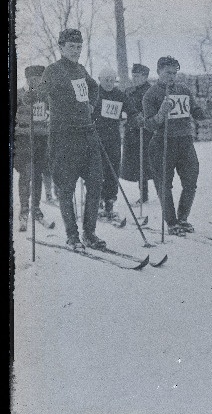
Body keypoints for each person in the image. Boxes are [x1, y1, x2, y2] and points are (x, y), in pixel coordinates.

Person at [40, 28, 104, 251]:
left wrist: (92, 105)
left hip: (87, 134)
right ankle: (72, 236)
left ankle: (90, 233)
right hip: (65, 137)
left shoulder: (81, 69)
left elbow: (94, 88)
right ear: (61, 47)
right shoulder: (53, 70)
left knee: (96, 182)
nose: (76, 51)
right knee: (66, 187)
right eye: (71, 47)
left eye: (78, 47)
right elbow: (40, 91)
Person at [142, 56, 212, 236]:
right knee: (164, 184)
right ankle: (171, 221)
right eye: (168, 73)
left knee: (191, 181)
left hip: (185, 141)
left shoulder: (184, 90)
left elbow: (196, 113)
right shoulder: (151, 94)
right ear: (159, 72)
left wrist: (207, 111)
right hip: (162, 143)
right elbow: (149, 124)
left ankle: (183, 218)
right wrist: (160, 114)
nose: (172, 77)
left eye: (175, 73)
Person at [94, 68, 142, 221]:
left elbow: (131, 110)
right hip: (95, 138)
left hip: (113, 138)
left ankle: (109, 203)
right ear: (100, 79)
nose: (109, 83)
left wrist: (137, 118)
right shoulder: (94, 94)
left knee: (113, 170)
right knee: (97, 171)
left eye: (111, 80)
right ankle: (97, 202)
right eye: (106, 80)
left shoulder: (119, 95)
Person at [13, 65, 49, 232]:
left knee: (38, 174)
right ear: (27, 79)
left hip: (42, 138)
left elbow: (52, 114)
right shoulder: (19, 94)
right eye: (33, 79)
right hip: (24, 139)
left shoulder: (45, 96)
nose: (36, 82)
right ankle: (24, 210)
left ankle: (36, 208)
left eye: (39, 79)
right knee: (26, 174)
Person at [120, 64, 155, 204]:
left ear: (145, 77)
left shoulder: (151, 91)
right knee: (136, 164)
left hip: (147, 132)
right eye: (133, 76)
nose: (134, 79)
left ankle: (161, 192)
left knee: (148, 163)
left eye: (138, 76)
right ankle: (143, 193)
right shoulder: (128, 91)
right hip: (132, 132)